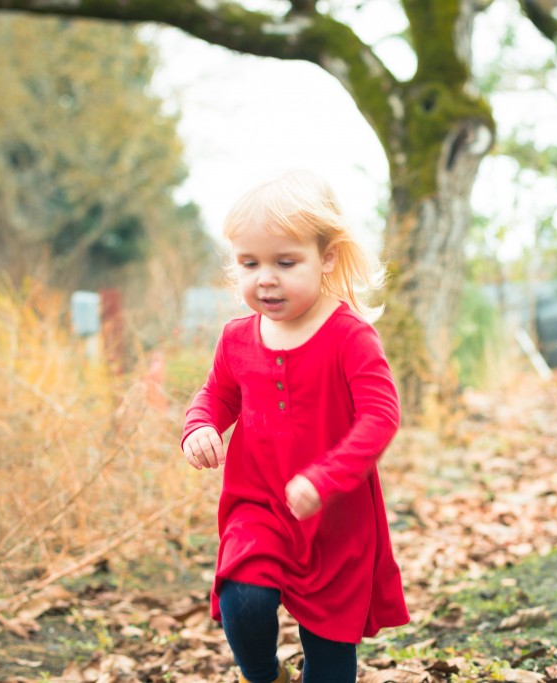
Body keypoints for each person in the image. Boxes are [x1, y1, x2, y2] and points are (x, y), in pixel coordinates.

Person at [181, 170, 408, 683]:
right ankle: (265, 675)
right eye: (249, 263)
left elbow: (381, 416)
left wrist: (323, 479)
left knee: (330, 659)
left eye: (286, 262)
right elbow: (217, 395)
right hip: (258, 504)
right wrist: (200, 425)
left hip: (337, 519)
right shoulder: (237, 337)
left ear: (326, 257)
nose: (266, 278)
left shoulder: (349, 336)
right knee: (243, 597)